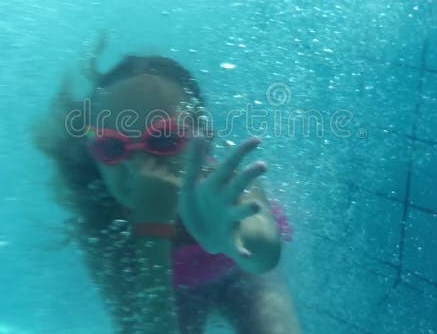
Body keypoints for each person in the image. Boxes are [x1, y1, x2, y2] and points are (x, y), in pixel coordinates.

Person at [33, 37, 301, 334]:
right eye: (112, 147)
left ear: (202, 138)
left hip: (240, 276)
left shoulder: (222, 188)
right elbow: (139, 326)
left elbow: (264, 257)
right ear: (92, 154)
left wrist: (233, 233)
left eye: (164, 140)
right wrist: (152, 230)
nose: (138, 166)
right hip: (172, 293)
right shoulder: (103, 227)